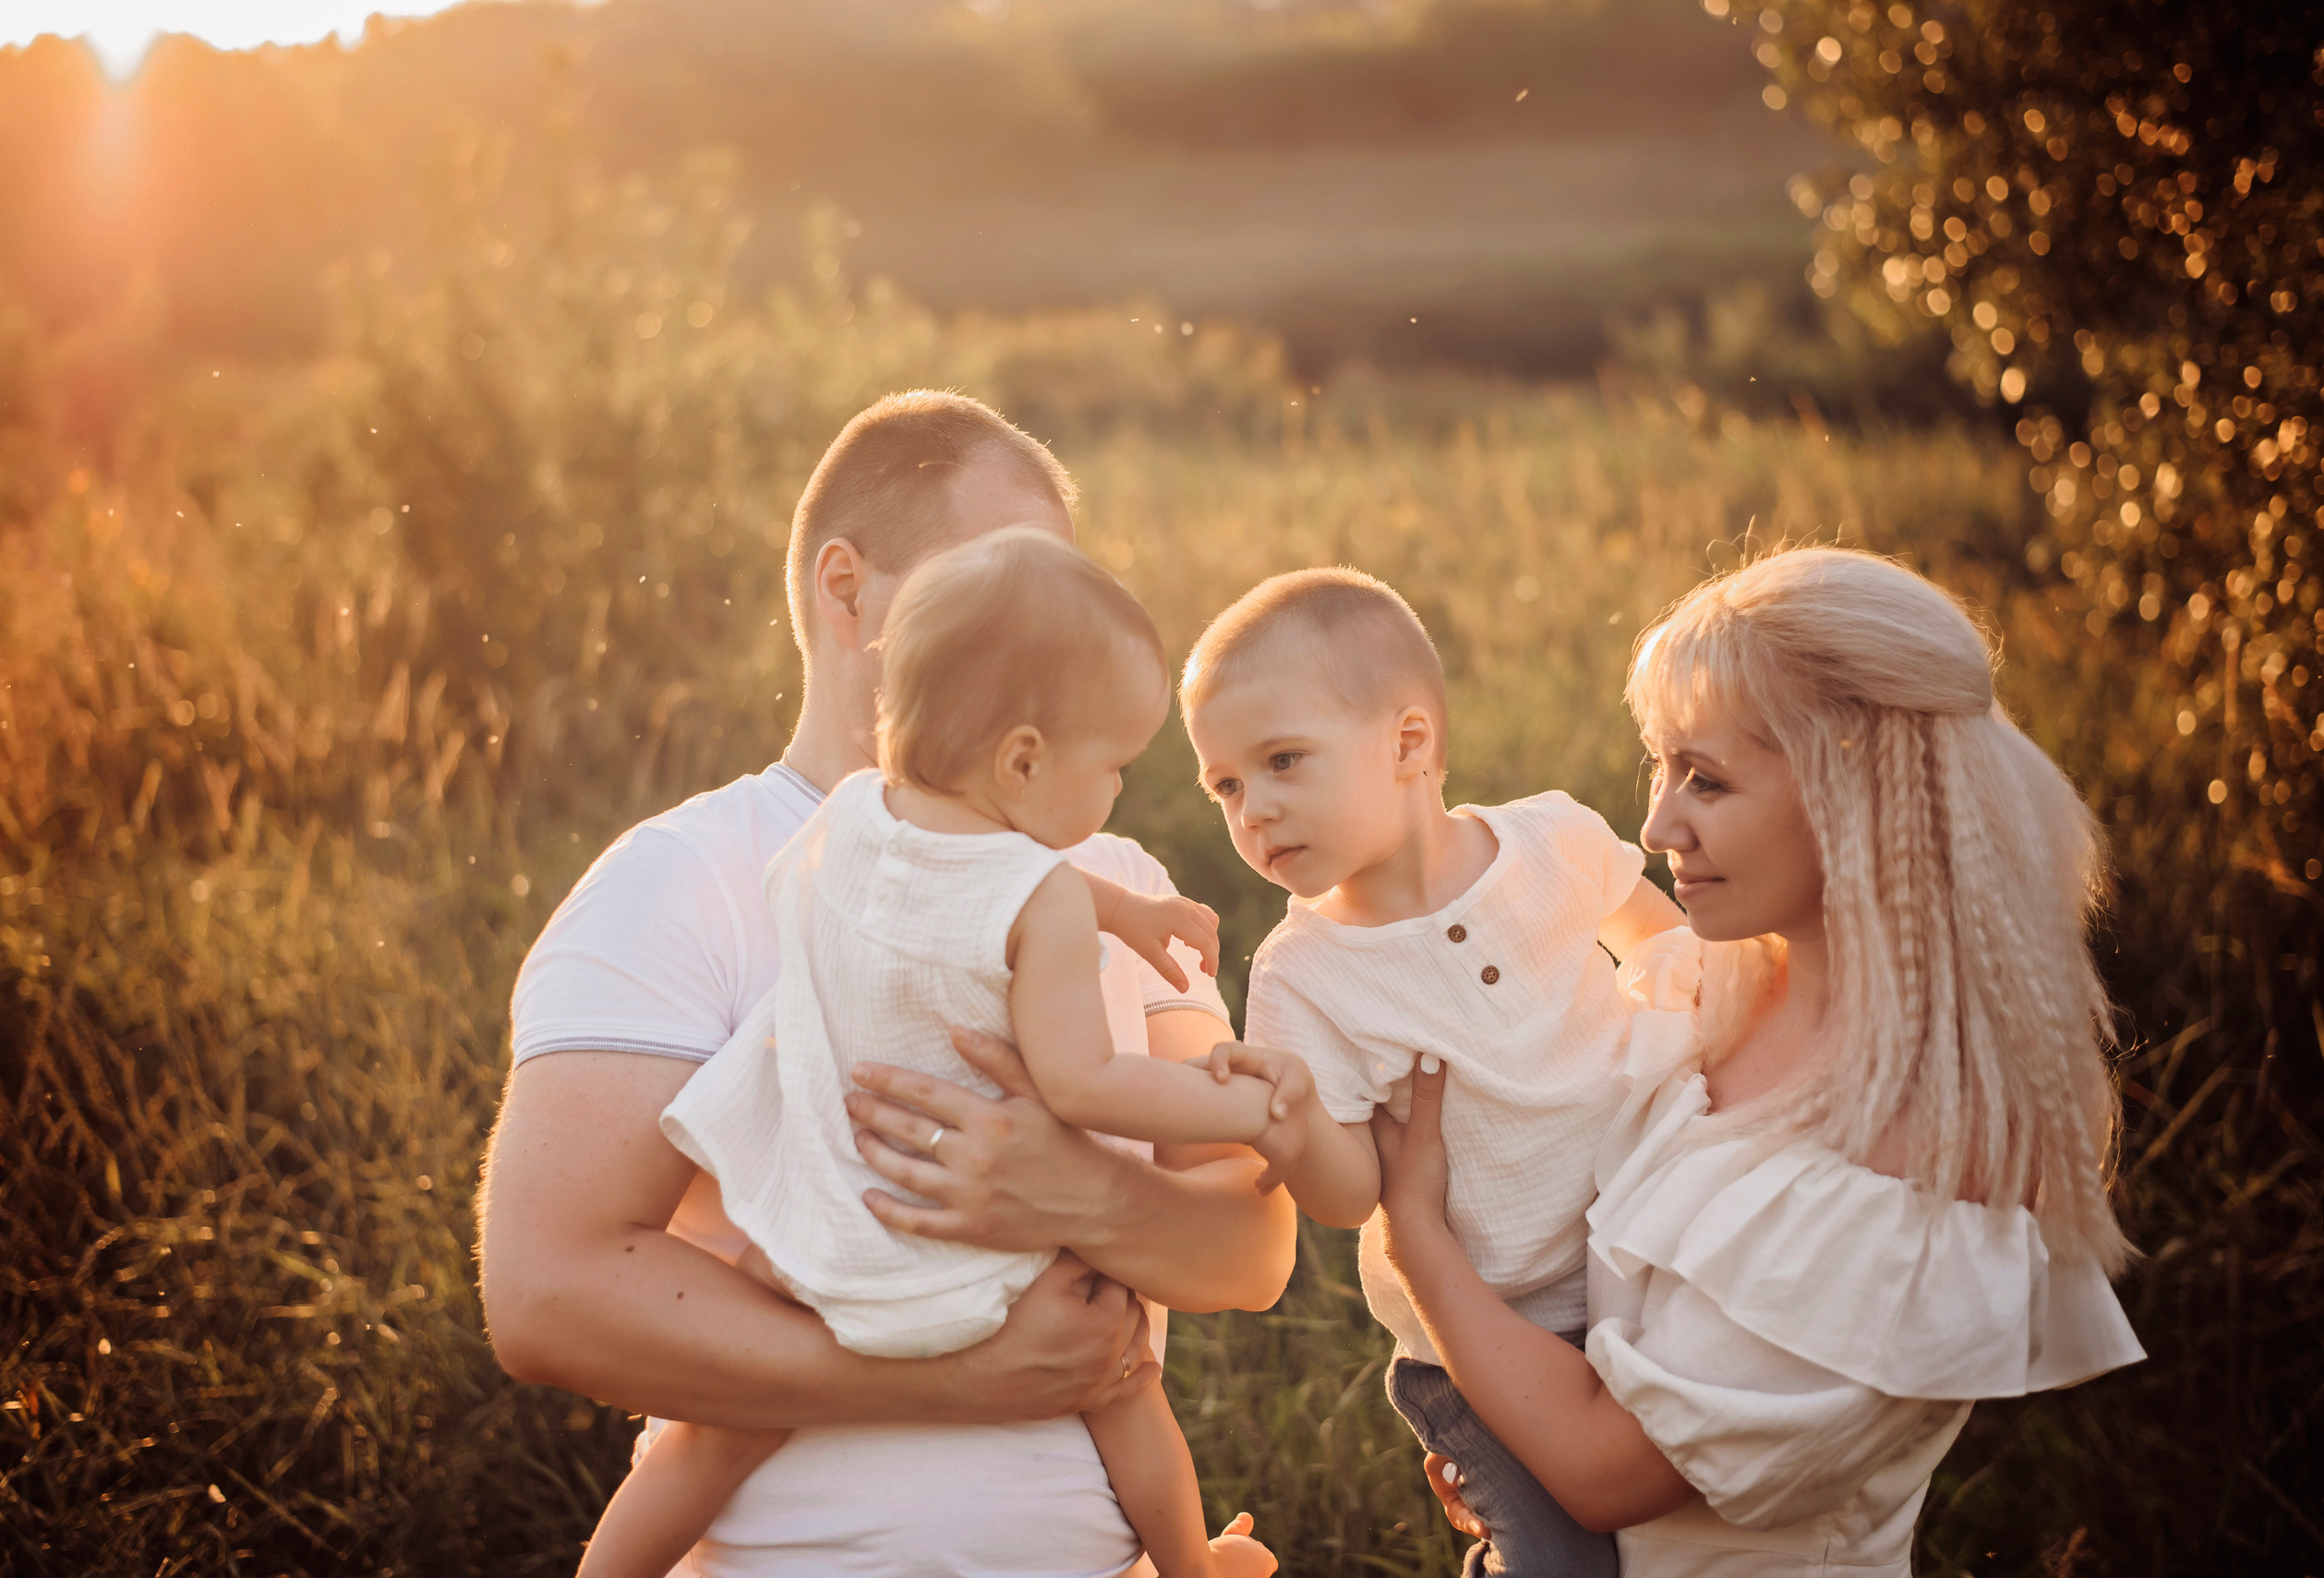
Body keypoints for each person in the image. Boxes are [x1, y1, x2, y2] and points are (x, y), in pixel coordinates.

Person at [477, 392, 1296, 1578]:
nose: (1037, 635)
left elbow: (1250, 1252)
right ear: (846, 588)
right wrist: (941, 1375)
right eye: (989, 576)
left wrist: (1071, 1192)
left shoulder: (1109, 875)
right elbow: (546, 1293)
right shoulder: (682, 878)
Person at [1371, 548, 2146, 1578]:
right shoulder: (1716, 987)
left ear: (1854, 793)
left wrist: (1415, 1228)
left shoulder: (1908, 1153)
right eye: (1661, 764)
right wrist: (1504, 1446)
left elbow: (1604, 1469)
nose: (1656, 824)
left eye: (1708, 777)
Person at [1180, 567, 1690, 1578]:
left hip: (1641, 1274)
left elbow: (1656, 932)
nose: (1253, 810)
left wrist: (1680, 1003)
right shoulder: (1306, 970)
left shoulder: (1547, 840)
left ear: (1407, 743)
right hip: (1474, 1337)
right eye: (1227, 785)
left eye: (1283, 761)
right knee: (1563, 1564)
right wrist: (1291, 1126)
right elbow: (1351, 1192)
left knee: (1683, 1536)